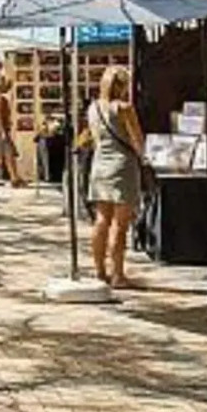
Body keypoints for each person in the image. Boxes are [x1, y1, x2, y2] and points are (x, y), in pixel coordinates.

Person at [84, 66, 144, 289]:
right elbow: (138, 141)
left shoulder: (93, 108)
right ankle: (118, 274)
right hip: (122, 166)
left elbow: (95, 138)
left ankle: (100, 271)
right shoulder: (124, 108)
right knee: (120, 224)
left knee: (101, 219)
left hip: (100, 166)